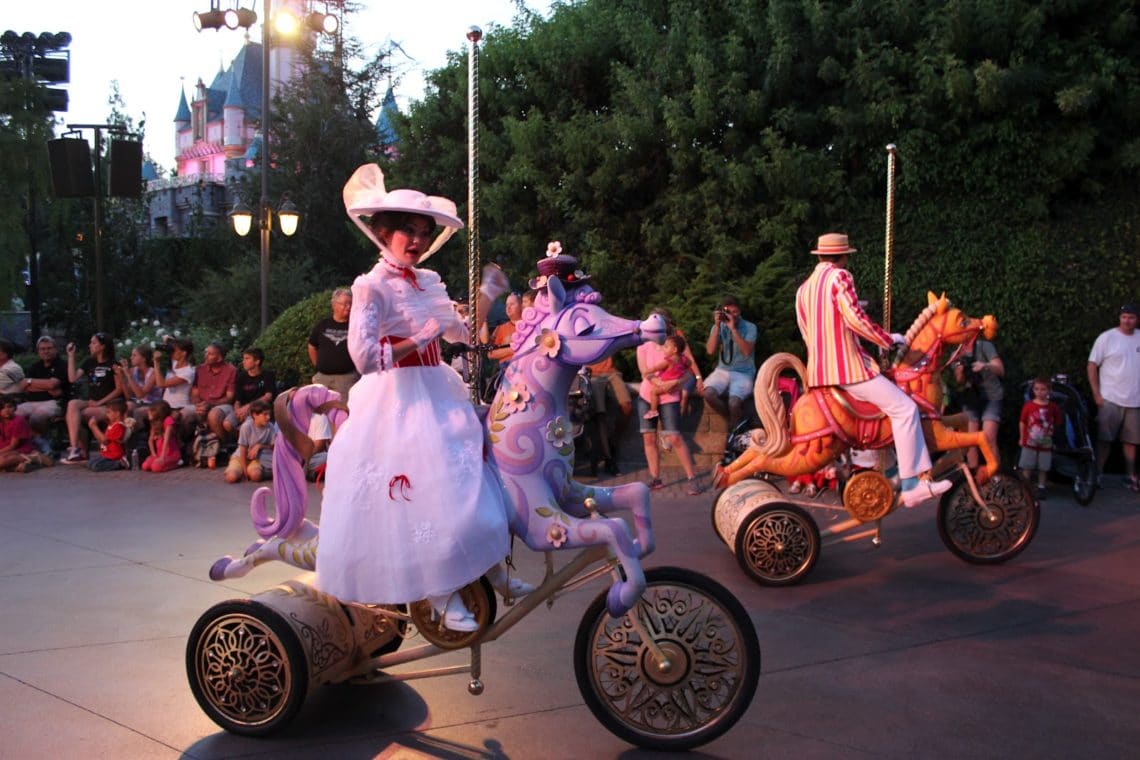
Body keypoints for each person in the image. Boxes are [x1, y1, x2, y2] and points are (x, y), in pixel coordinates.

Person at [315, 163, 513, 632]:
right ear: (383, 232)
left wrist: (486, 294)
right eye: (409, 230)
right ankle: (440, 595)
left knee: (474, 475)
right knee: (426, 494)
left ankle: (496, 569)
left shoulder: (428, 281)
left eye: (424, 232)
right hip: (397, 398)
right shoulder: (370, 286)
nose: (418, 240)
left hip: (436, 387)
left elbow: (459, 332)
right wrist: (414, 337)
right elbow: (363, 356)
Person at [796, 233, 951, 507]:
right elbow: (855, 319)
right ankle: (913, 485)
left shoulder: (804, 288)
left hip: (820, 373)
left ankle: (903, 475)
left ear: (819, 255)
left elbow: (807, 332)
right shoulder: (839, 277)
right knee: (905, 409)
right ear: (843, 256)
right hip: (849, 371)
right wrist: (888, 340)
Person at [637, 309, 701, 495]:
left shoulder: (674, 348)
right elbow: (645, 371)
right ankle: (655, 477)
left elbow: (688, 372)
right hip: (647, 396)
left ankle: (692, 478)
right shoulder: (643, 346)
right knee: (649, 438)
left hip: (670, 397)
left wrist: (676, 383)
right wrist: (660, 384)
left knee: (674, 437)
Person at [1087, 303, 1140, 492]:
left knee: (1131, 442)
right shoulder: (1107, 338)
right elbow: (1092, 365)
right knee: (1104, 441)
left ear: (1137, 319)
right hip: (1110, 399)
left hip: (1135, 402)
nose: (1127, 320)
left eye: (1131, 317)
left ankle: (1130, 476)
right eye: (1124, 316)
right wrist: (1096, 394)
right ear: (1119, 318)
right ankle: (1097, 475)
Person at [62, 333, 121, 463]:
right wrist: (71, 356)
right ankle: (74, 448)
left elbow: (119, 389)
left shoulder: (113, 364)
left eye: (93, 343)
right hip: (92, 401)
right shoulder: (89, 362)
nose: (90, 345)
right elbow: (72, 378)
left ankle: (80, 451)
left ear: (103, 346)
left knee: (77, 416)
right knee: (72, 404)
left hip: (108, 405)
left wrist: (100, 402)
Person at [702, 295, 758, 431]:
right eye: (729, 312)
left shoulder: (750, 327)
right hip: (723, 370)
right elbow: (710, 350)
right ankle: (734, 420)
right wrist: (716, 326)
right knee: (708, 394)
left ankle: (735, 427)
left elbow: (746, 351)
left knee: (734, 402)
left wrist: (733, 329)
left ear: (740, 312)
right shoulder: (719, 327)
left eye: (735, 312)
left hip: (744, 372)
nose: (733, 315)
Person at [953, 337, 1004, 469]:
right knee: (970, 439)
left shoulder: (984, 346)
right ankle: (973, 477)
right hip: (971, 397)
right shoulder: (957, 353)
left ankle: (995, 477)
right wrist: (960, 372)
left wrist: (984, 365)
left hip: (992, 395)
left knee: (988, 439)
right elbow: (960, 381)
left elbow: (1000, 369)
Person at [189, 341, 237, 469]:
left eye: (210, 354)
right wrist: (198, 405)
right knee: (184, 415)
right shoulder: (200, 369)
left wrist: (210, 404)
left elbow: (229, 397)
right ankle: (188, 452)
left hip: (222, 404)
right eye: (206, 352)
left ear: (219, 357)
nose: (205, 356)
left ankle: (222, 449)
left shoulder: (231, 370)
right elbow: (194, 392)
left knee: (214, 415)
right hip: (201, 403)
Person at [15, 336, 70, 443]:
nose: (46, 351)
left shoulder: (62, 365)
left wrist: (30, 382)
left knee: (36, 418)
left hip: (53, 402)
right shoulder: (35, 366)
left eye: (49, 348)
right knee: (14, 414)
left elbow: (52, 385)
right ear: (38, 351)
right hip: (31, 402)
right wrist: (44, 385)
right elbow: (22, 386)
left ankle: (43, 443)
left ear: (55, 349)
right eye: (42, 349)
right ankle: (20, 444)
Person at [585, 353, 633, 475]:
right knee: (600, 414)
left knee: (626, 406)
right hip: (591, 374)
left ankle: (613, 443)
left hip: (611, 373)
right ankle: (609, 457)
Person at [308, 288, 360, 400]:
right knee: (320, 412)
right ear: (334, 305)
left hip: (347, 379)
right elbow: (312, 346)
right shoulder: (323, 325)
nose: (348, 307)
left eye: (350, 303)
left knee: (344, 412)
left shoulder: (355, 325)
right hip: (322, 379)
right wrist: (317, 366)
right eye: (345, 304)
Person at [1019, 376, 1064, 500]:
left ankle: (1041, 486)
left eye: (1043, 389)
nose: (1039, 392)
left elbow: (1057, 422)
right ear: (1033, 390)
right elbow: (1022, 422)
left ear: (1049, 390)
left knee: (1043, 467)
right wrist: (1022, 437)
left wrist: (1052, 432)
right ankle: (1025, 487)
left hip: (1045, 442)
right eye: (1037, 389)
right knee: (1027, 465)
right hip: (1029, 442)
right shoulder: (1029, 406)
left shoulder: (1053, 407)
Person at [224, 347, 276, 440]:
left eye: (247, 359)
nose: (244, 362)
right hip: (242, 410)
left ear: (257, 361)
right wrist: (237, 412)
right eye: (243, 359)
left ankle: (247, 444)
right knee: (227, 424)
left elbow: (268, 396)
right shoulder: (241, 377)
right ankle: (242, 442)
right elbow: (237, 400)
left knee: (246, 426)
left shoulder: (267, 375)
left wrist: (248, 407)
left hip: (258, 409)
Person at [224, 399, 276, 483]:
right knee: (231, 478)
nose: (268, 417)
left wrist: (260, 446)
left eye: (269, 414)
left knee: (256, 476)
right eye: (265, 415)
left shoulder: (270, 427)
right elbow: (242, 450)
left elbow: (273, 446)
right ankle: (238, 470)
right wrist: (245, 472)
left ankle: (251, 471)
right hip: (240, 458)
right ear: (255, 415)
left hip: (255, 459)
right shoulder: (246, 427)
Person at [643, 335, 691, 420]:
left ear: (674, 350)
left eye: (666, 347)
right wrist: (682, 370)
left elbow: (656, 368)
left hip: (666, 384)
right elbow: (689, 364)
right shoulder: (683, 358)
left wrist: (647, 371)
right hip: (675, 386)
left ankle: (653, 410)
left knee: (653, 392)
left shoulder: (668, 361)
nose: (663, 349)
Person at [115, 344, 162, 428]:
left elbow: (140, 395)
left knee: (137, 412)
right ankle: (121, 432)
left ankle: (139, 435)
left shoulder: (153, 373)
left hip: (152, 403)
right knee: (125, 406)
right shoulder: (133, 371)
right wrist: (121, 377)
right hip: (138, 402)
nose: (131, 357)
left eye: (134, 355)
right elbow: (128, 396)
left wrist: (129, 376)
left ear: (143, 359)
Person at [86, 398, 129, 471]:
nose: (107, 414)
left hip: (114, 456)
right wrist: (93, 428)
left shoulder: (119, 426)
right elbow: (100, 439)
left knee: (96, 466)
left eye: (109, 412)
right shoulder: (111, 425)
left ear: (117, 414)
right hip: (106, 454)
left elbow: (105, 441)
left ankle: (120, 463)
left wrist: (95, 427)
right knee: (90, 463)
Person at [141, 400, 181, 473]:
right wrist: (154, 455)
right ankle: (160, 462)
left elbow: (166, 439)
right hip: (159, 454)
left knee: (156, 468)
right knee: (145, 466)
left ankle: (175, 463)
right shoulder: (154, 423)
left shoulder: (168, 420)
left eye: (150, 411)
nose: (148, 413)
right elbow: (150, 440)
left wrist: (162, 457)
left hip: (170, 454)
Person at [0, 397, 38, 472]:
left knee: (1, 461)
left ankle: (31, 457)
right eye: (2, 408)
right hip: (4, 450)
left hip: (19, 450)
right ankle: (16, 467)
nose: (6, 410)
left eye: (9, 407)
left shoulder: (18, 421)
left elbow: (13, 445)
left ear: (15, 408)